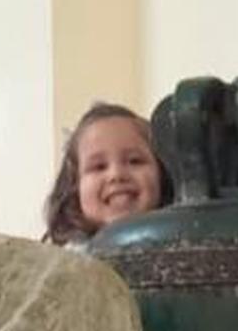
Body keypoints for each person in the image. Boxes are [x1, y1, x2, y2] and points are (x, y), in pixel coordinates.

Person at [43, 101, 171, 246]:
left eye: (134, 161)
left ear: (162, 174)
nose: (116, 174)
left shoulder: (183, 242)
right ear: (74, 187)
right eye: (99, 167)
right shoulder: (64, 262)